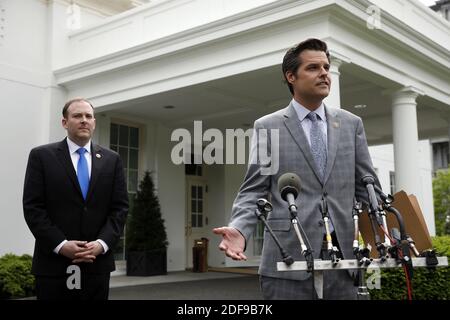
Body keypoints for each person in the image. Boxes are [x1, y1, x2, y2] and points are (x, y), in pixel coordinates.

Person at [213, 38, 380, 300]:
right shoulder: (268, 127)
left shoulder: (351, 124)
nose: (324, 73)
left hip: (346, 257)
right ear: (291, 76)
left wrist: (387, 235)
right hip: (287, 258)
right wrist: (240, 229)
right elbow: (254, 189)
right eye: (313, 68)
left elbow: (368, 188)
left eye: (326, 67)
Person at [23, 98, 129, 300]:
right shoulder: (41, 156)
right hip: (53, 266)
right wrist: (61, 245)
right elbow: (33, 207)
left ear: (94, 122)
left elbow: (120, 209)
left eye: (88, 116)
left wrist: (101, 244)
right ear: (64, 122)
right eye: (77, 116)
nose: (84, 120)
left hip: (96, 265)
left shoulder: (111, 159)